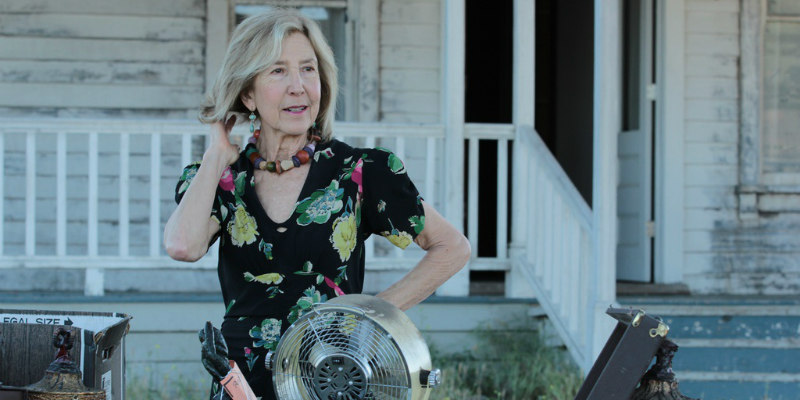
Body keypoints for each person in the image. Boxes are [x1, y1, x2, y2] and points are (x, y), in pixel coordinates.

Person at [163, 8, 470, 399]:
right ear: (248, 94)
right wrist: (216, 155)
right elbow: (182, 246)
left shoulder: (359, 171)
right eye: (278, 71)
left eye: (308, 69)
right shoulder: (222, 179)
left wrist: (371, 316)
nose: (298, 86)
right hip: (241, 387)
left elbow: (452, 247)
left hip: (329, 382)